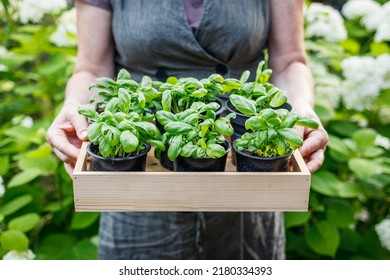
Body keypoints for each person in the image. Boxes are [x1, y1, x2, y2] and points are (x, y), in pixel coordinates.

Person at [46, 0, 328, 260]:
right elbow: (92, 67)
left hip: (247, 186)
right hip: (137, 189)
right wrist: (75, 105)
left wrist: (300, 107)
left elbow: (290, 60)